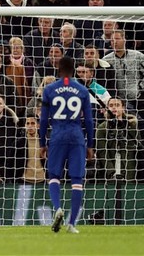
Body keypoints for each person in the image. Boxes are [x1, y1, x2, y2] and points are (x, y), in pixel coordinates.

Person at [39, 56, 95, 234]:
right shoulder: (82, 90)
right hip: (76, 136)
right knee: (77, 179)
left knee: (54, 175)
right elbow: (89, 120)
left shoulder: (49, 89)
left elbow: (43, 119)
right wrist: (90, 144)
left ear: (58, 68)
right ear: (73, 70)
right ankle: (71, 224)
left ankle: (57, 208)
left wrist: (42, 142)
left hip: (57, 135)